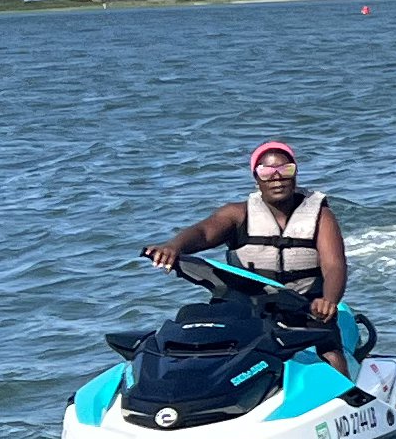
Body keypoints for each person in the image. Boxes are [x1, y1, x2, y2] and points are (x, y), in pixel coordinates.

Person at [145, 141, 355, 348]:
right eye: (266, 171)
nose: (277, 177)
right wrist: (174, 247)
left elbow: (334, 265)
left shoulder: (321, 216)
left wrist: (328, 300)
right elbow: (203, 232)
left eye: (285, 169)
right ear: (256, 178)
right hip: (247, 310)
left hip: (305, 308)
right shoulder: (237, 214)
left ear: (295, 174)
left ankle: (346, 380)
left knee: (330, 355)